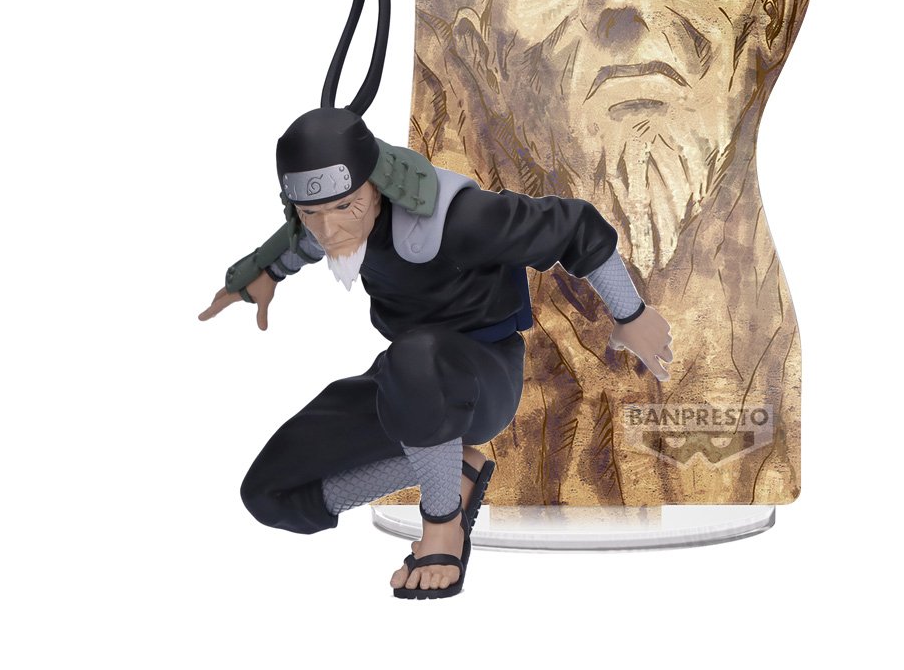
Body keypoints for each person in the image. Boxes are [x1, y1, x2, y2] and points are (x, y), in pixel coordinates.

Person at [198, 106, 672, 599]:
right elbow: (301, 242)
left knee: (415, 357)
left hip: (483, 377)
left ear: (376, 186)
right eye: (310, 212)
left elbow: (576, 227)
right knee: (268, 494)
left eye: (344, 207)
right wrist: (261, 277)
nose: (329, 229)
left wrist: (631, 314)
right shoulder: (334, 223)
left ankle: (444, 526)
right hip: (405, 384)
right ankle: (453, 468)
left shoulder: (462, 220)